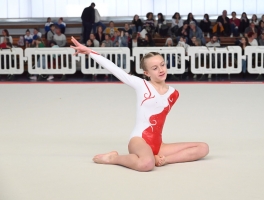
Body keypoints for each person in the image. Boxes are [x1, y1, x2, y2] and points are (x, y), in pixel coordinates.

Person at [70, 37, 209, 171]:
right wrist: (89, 52)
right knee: (147, 164)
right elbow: (115, 69)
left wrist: (164, 158)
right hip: (139, 140)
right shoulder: (142, 85)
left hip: (159, 145)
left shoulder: (174, 94)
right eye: (154, 68)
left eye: (162, 65)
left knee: (203, 148)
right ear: (146, 73)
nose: (161, 70)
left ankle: (163, 160)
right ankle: (114, 158)